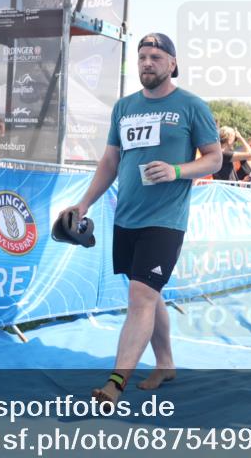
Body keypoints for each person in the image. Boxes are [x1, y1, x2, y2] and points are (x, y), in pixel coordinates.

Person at [61, 32, 221, 404]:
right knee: (147, 294)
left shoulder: (191, 106)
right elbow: (110, 162)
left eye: (156, 57)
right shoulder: (124, 107)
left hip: (165, 220)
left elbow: (214, 158)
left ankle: (115, 382)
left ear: (172, 64)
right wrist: (82, 205)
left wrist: (178, 171)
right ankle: (165, 362)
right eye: (142, 57)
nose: (147, 63)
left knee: (140, 296)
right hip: (126, 217)